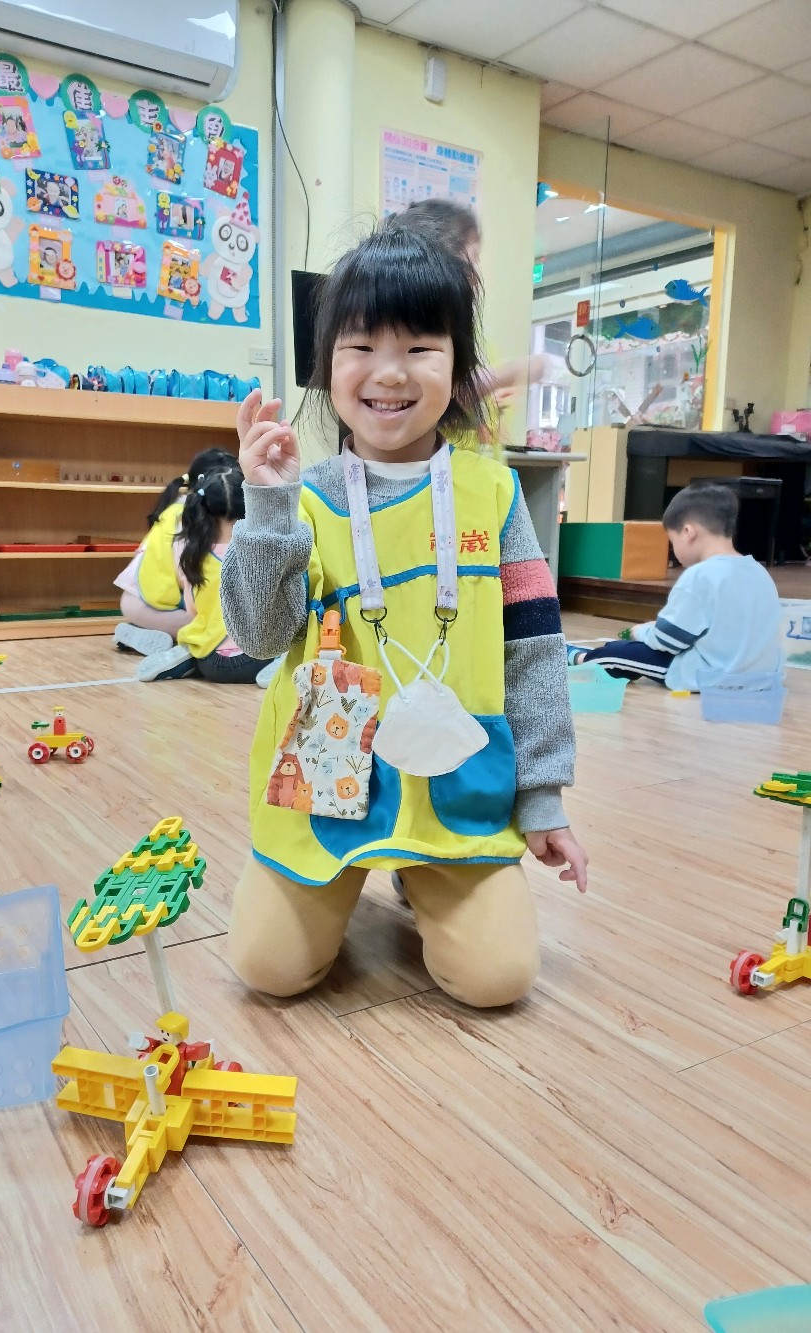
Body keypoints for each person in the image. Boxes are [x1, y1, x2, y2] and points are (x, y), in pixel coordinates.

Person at [220, 224, 587, 1009]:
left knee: (498, 979)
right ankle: (355, 871)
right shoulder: (301, 495)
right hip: (325, 783)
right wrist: (269, 508)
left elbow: (533, 651)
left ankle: (420, 872)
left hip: (455, 788)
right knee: (267, 968)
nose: (389, 372)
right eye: (361, 345)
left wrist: (542, 797)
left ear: (458, 366)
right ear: (328, 363)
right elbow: (256, 635)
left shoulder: (495, 494)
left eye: (420, 346)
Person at [567, 484, 783, 690]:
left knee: (620, 651)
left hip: (709, 676)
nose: (673, 549)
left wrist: (641, 631)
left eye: (672, 541)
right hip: (761, 678)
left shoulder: (700, 575)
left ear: (688, 532)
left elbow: (667, 641)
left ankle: (579, 657)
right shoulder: (759, 572)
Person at [387, 199, 565, 430]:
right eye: (469, 263)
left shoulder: (462, 336)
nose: (474, 278)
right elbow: (430, 398)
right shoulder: (405, 327)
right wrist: (502, 375)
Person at [137, 462, 274, 684]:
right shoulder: (262, 552)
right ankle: (281, 664)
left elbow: (192, 609)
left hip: (211, 663)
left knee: (203, 633)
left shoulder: (193, 556)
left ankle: (189, 655)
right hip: (253, 661)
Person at [112, 447, 237, 656]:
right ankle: (161, 635)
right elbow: (189, 575)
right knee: (217, 624)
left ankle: (144, 632)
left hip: (136, 600)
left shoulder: (174, 508)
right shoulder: (191, 517)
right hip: (152, 605)